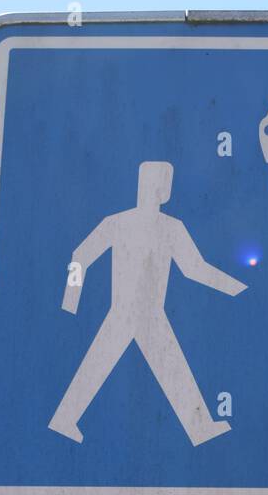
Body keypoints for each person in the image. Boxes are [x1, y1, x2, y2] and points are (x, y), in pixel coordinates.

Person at [49, 161, 246, 447]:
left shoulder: (144, 224)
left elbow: (80, 255)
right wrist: (70, 301)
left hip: (144, 311)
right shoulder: (137, 223)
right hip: (134, 311)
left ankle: (200, 427)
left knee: (157, 366)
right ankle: (200, 427)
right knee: (158, 365)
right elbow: (81, 255)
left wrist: (72, 299)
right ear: (162, 188)